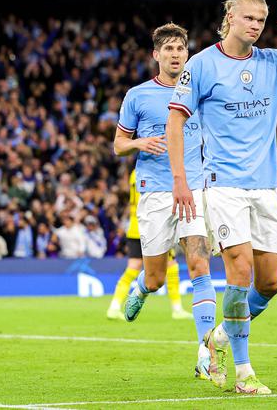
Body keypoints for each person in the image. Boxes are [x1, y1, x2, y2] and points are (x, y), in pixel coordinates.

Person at [167, 0, 277, 394]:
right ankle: (243, 373)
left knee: (271, 283)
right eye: (250, 18)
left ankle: (217, 340)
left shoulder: (273, 61)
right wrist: (179, 180)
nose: (257, 25)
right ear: (229, 17)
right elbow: (174, 123)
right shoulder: (202, 65)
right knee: (239, 270)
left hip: (265, 186)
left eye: (262, 19)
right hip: (222, 184)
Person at [113, 22, 217, 380]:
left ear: (187, 54)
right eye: (168, 49)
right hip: (155, 192)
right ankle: (141, 289)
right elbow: (118, 144)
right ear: (156, 55)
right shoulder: (138, 95)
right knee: (156, 277)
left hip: (195, 189)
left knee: (200, 266)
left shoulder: (201, 94)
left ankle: (205, 351)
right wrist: (139, 143)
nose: (175, 55)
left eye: (180, 49)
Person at [106, 169, 192, 320]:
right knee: (171, 265)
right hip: (151, 224)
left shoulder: (134, 172)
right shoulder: (152, 171)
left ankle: (114, 306)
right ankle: (177, 309)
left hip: (134, 227)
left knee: (132, 268)